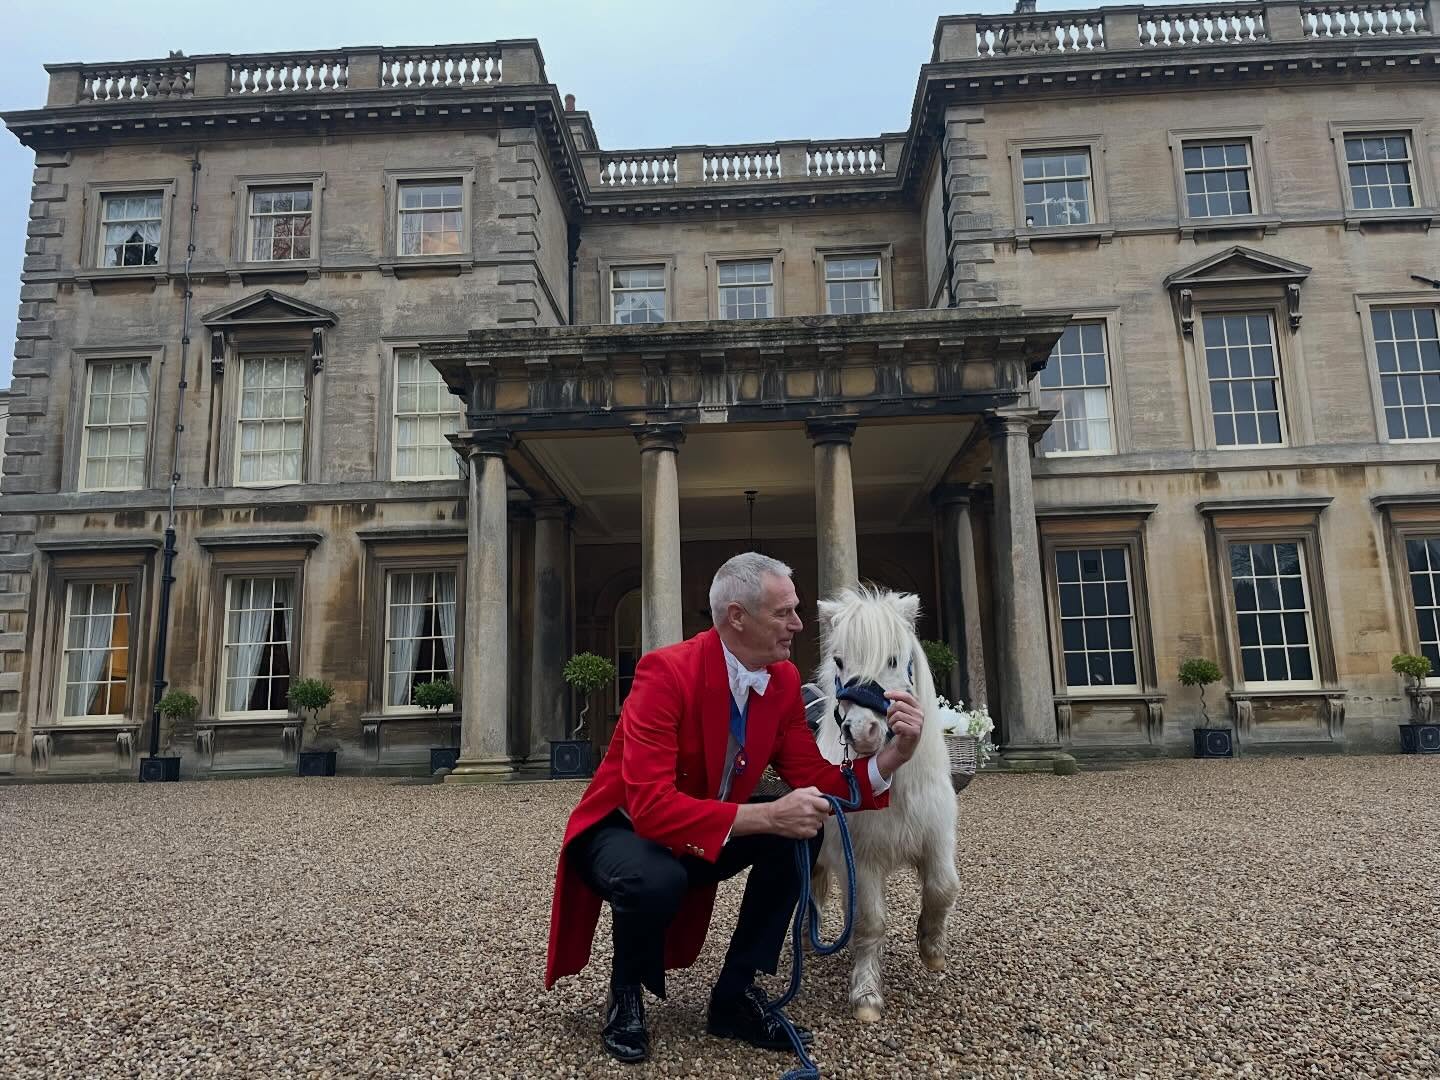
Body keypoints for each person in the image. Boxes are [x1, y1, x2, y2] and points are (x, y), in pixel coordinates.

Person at [544, 552, 925, 1065]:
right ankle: (625, 992)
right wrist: (766, 816)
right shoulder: (663, 672)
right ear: (737, 617)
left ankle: (734, 996)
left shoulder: (784, 679)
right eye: (784, 612)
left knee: (802, 831)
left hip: (705, 823)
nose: (797, 624)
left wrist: (894, 754)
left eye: (796, 611)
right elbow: (652, 809)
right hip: (623, 829)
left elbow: (817, 779)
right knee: (656, 878)